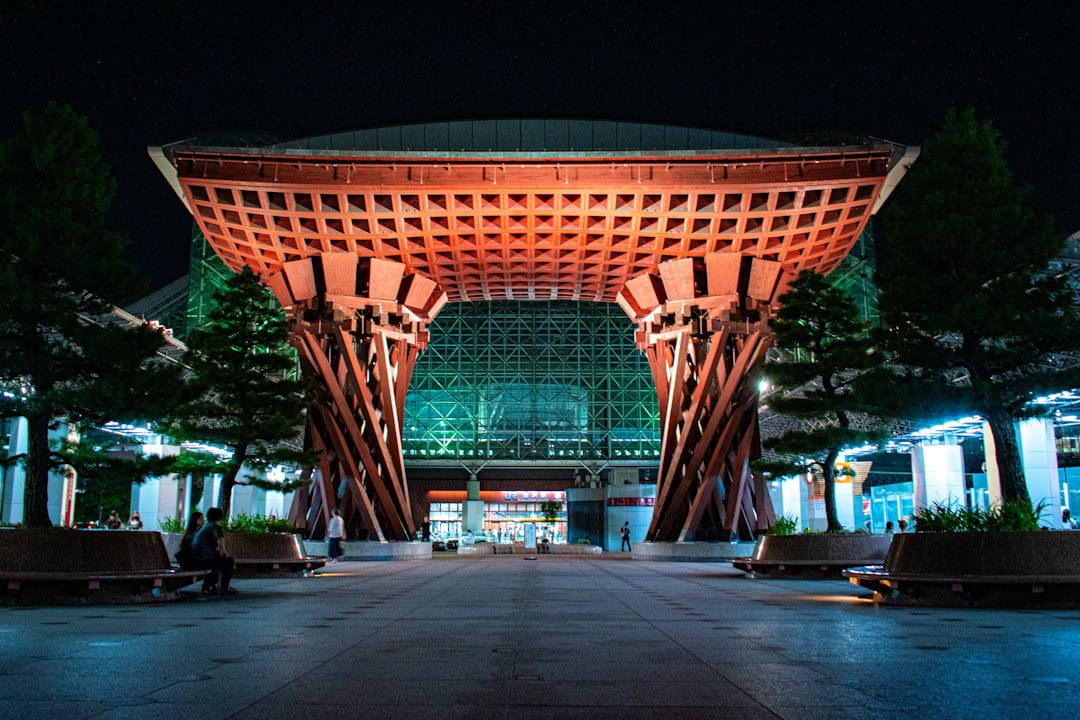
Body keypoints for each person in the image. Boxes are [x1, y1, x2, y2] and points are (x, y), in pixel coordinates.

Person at [192, 507, 237, 596]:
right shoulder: (215, 526)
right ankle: (224, 587)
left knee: (214, 561)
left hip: (196, 558)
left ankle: (209, 585)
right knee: (229, 561)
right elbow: (220, 539)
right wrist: (224, 552)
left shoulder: (205, 527)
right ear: (220, 517)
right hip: (205, 558)